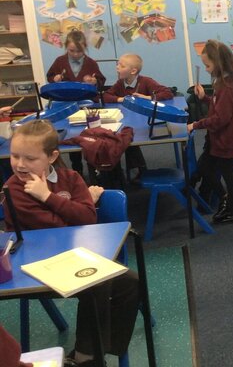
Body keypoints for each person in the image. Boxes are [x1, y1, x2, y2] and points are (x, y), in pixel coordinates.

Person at [2, 119, 138, 367]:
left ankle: (99, 351)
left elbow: (88, 218)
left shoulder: (70, 178)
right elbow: (56, 227)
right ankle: (89, 358)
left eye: (30, 159)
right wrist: (70, 208)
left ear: (52, 156)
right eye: (14, 156)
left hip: (73, 257)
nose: (20, 164)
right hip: (34, 265)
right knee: (97, 283)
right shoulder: (13, 189)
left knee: (130, 281)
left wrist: (47, 196)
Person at [188, 40, 233, 224]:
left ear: (219, 63)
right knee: (205, 168)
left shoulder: (227, 87)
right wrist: (205, 98)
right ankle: (226, 200)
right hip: (221, 138)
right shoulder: (224, 83)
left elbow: (220, 119)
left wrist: (195, 124)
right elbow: (222, 109)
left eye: (208, 65)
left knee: (227, 175)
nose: (206, 69)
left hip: (226, 140)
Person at [102, 53, 174, 182]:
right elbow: (106, 96)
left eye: (121, 65)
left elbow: (167, 93)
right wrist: (121, 99)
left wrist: (148, 98)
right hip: (127, 121)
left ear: (133, 71)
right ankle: (126, 172)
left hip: (143, 124)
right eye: (117, 64)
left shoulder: (146, 81)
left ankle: (139, 169)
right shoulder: (120, 83)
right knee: (121, 139)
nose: (117, 67)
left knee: (129, 140)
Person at [46, 30, 107, 178]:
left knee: (87, 135)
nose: (75, 54)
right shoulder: (60, 61)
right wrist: (55, 78)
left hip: (87, 104)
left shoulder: (91, 63)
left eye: (79, 51)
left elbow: (100, 81)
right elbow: (50, 76)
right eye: (71, 50)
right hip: (67, 103)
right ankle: (77, 168)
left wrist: (94, 81)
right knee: (72, 134)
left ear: (85, 48)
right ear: (66, 47)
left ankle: (92, 166)